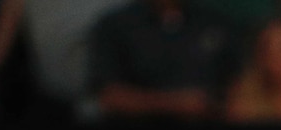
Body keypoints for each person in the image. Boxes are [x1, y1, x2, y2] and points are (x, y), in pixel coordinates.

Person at [86, 0, 245, 122]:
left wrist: (215, 104)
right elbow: (109, 96)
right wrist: (175, 104)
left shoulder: (217, 23)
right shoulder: (115, 26)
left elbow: (243, 85)